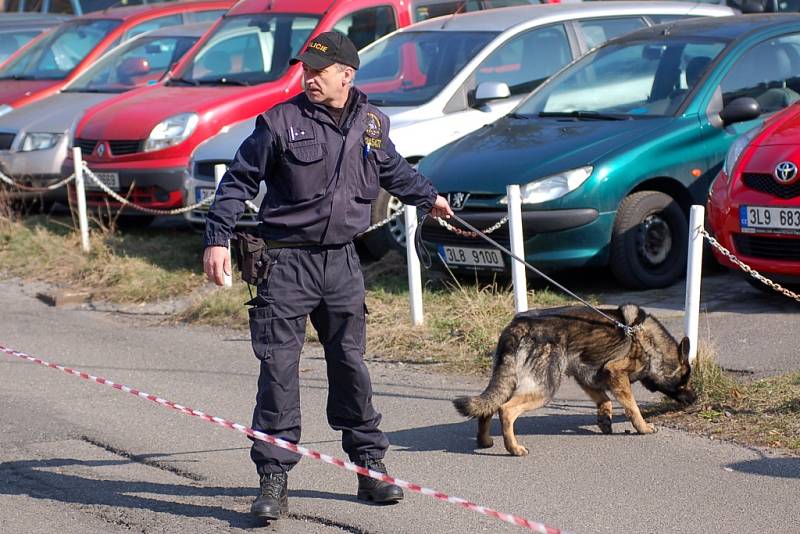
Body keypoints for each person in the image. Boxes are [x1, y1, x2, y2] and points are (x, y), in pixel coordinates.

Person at [202, 30, 454, 522]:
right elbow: (237, 181)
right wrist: (216, 237)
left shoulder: (373, 123)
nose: (309, 78)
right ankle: (273, 480)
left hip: (341, 263)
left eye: (318, 71)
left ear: (346, 75)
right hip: (285, 263)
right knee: (279, 371)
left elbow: (392, 169)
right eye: (306, 71)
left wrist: (429, 196)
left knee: (350, 367)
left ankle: (370, 468)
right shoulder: (280, 121)